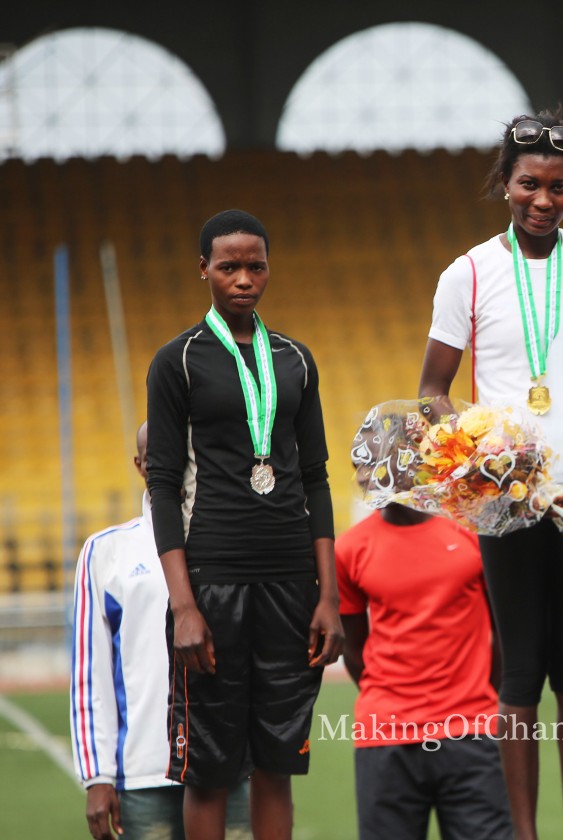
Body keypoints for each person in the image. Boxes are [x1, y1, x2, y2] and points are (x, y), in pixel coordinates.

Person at [418, 109, 563, 840]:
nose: (543, 201)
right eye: (528, 185)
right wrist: (479, 455)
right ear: (505, 183)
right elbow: (432, 390)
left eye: (559, 187)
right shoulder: (467, 273)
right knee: (519, 676)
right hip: (507, 503)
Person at [146, 210, 344, 840]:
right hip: (213, 581)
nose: (243, 279)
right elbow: (162, 485)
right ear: (203, 268)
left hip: (291, 585)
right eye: (228, 267)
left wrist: (329, 597)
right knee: (208, 767)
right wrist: (183, 605)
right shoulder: (176, 362)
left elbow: (316, 479)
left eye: (254, 266)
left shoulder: (296, 361)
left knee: (277, 762)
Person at [334, 413, 512, 839]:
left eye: (369, 461)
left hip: (471, 731)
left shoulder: (472, 531)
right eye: (357, 464)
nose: (360, 475)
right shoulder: (349, 549)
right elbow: (353, 649)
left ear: (408, 460)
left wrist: (479, 697)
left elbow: (503, 637)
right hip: (384, 737)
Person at [70, 422, 250, 840]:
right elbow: (89, 676)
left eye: (183, 452)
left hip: (229, 764)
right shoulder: (106, 552)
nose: (172, 463)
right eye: (157, 454)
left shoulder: (236, 541)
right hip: (144, 773)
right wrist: (97, 776)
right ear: (140, 465)